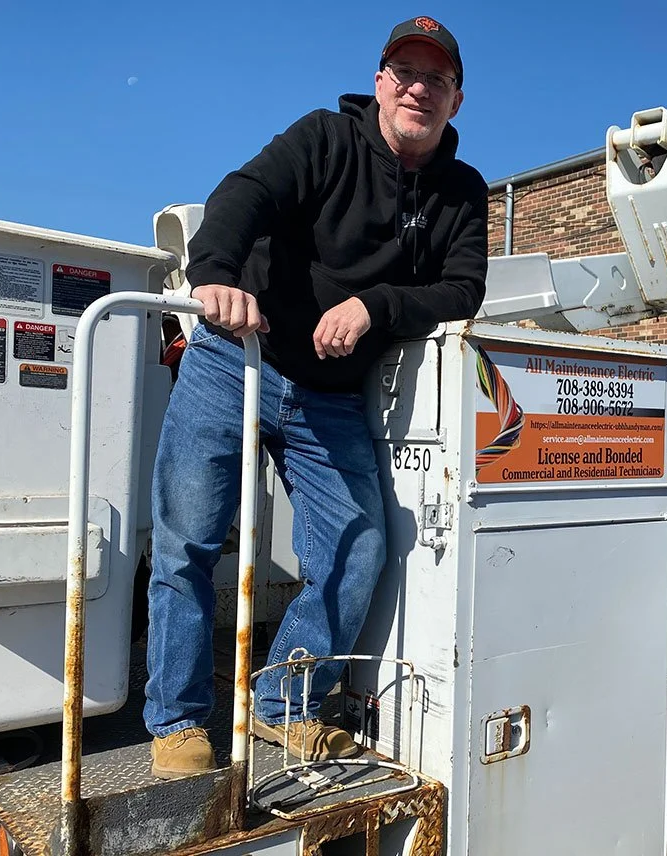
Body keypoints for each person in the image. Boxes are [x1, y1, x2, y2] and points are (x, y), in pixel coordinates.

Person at [145, 16, 488, 779]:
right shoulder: (325, 138)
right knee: (186, 541)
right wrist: (218, 275)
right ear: (379, 83)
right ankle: (175, 722)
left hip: (331, 394)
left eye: (437, 78)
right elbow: (247, 192)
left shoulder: (462, 192)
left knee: (357, 546)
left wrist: (376, 306)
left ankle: (284, 710)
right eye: (405, 71)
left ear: (457, 100)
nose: (418, 88)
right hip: (236, 357)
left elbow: (464, 288)